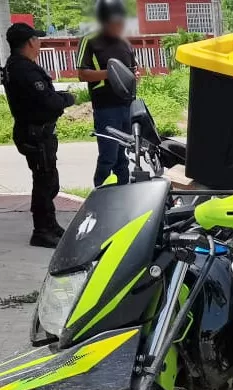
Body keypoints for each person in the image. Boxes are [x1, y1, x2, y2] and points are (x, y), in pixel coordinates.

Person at [1, 23, 75, 248]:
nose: (40, 43)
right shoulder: (25, 70)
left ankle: (49, 225)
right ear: (30, 42)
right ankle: (42, 230)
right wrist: (67, 99)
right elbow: (49, 102)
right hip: (35, 135)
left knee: (47, 180)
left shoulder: (16, 67)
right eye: (37, 39)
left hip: (33, 132)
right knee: (45, 182)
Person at [77, 0, 137, 187]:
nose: (120, 26)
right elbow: (82, 74)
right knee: (108, 156)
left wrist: (134, 76)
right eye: (115, 22)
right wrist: (111, 74)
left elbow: (133, 71)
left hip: (127, 106)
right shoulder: (90, 40)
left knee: (123, 156)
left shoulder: (125, 43)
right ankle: (100, 191)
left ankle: (123, 191)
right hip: (106, 108)